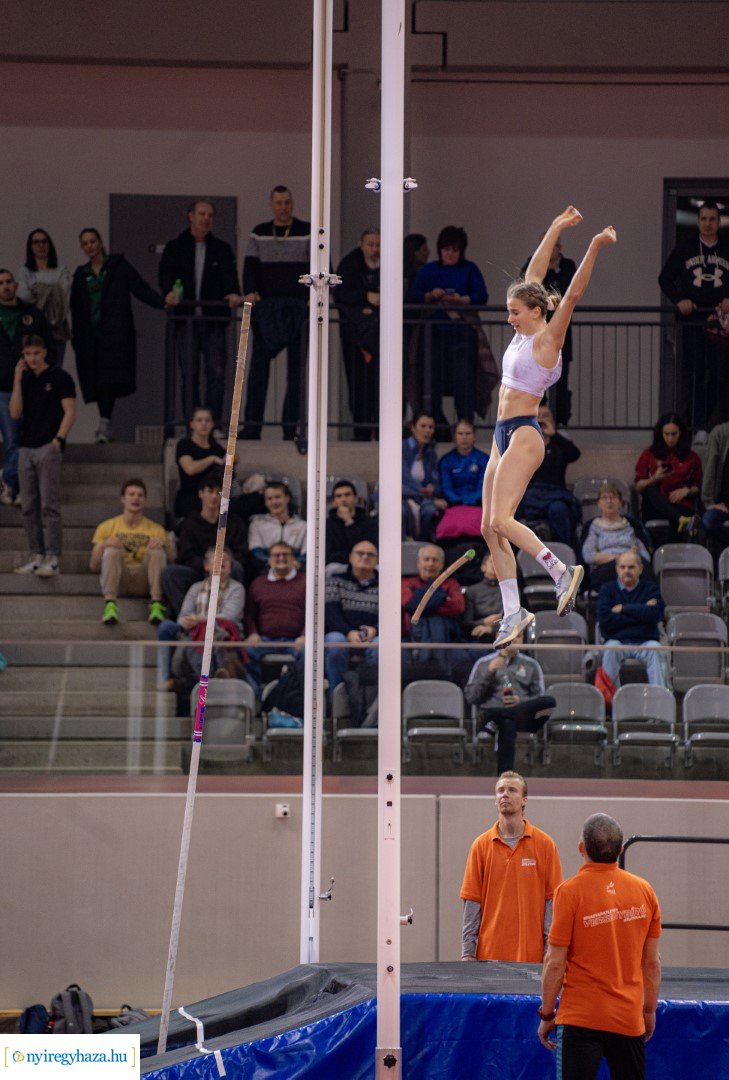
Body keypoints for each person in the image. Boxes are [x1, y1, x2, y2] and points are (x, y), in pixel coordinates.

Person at [481, 206, 616, 650]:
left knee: (503, 518)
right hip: (501, 435)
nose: (509, 319)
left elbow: (572, 295)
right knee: (488, 527)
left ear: (536, 312)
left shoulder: (545, 340)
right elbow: (533, 272)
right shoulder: (523, 334)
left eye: (515, 312)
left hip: (523, 433)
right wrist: (555, 226)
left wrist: (594, 246)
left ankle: (561, 571)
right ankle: (513, 611)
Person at [538, 813, 661, 1080]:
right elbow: (651, 962)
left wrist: (547, 1012)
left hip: (581, 1019)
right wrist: (649, 1010)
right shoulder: (645, 891)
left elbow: (555, 962)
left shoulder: (569, 892)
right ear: (620, 850)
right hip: (628, 1019)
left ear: (581, 848)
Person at [70, 228, 165, 443]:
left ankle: (104, 424)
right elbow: (75, 308)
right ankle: (104, 423)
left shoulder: (118, 266)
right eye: (85, 243)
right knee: (96, 381)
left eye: (93, 241)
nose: (90, 246)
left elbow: (140, 287)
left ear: (101, 242)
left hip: (114, 335)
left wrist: (163, 303)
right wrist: (76, 338)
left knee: (108, 381)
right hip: (89, 338)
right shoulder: (80, 274)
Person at [460, 771, 562, 962]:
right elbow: (472, 903)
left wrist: (549, 952)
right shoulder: (480, 846)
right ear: (495, 800)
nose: (504, 794)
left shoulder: (545, 845)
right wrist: (467, 954)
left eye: (512, 790)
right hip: (488, 958)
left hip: (532, 960)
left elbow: (552, 903)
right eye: (500, 791)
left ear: (524, 800)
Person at [159, 198, 242, 423]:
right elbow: (165, 277)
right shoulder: (175, 247)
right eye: (202, 214)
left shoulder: (221, 249)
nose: (207, 219)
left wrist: (234, 293)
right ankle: (192, 425)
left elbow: (230, 278)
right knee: (189, 374)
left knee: (216, 374)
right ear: (191, 217)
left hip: (213, 320)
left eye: (210, 215)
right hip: (186, 321)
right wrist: (168, 293)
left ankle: (212, 423)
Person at [240, 186, 310, 440]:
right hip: (267, 310)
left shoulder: (307, 231)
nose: (283, 207)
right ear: (271, 204)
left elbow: (322, 265)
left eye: (287, 202)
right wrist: (250, 292)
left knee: (296, 374)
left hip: (299, 309)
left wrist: (316, 298)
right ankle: (252, 427)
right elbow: (249, 268)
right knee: (258, 370)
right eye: (279, 203)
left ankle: (291, 429)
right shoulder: (259, 232)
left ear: (292, 204)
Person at [407, 225, 488, 433]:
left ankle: (465, 426)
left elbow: (481, 295)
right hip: (432, 335)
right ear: (439, 249)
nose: (450, 254)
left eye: (454, 250)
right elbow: (413, 296)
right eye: (446, 249)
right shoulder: (428, 270)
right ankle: (434, 428)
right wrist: (430, 296)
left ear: (461, 251)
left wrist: (462, 299)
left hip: (461, 334)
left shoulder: (469, 269)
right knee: (430, 381)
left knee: (464, 380)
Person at [659, 201, 729, 440]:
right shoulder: (685, 248)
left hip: (721, 324)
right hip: (693, 322)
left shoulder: (727, 247)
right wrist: (679, 300)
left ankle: (716, 425)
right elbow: (665, 278)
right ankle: (697, 425)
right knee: (696, 373)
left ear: (718, 222)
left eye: (712, 219)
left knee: (720, 375)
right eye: (704, 219)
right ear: (698, 222)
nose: (708, 224)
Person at [10, 335, 76, 577]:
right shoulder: (26, 380)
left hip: (48, 445)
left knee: (49, 504)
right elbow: (15, 412)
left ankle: (53, 555)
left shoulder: (60, 378)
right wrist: (17, 379)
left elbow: (70, 410)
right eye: (28, 354)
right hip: (26, 446)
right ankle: (36, 554)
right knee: (28, 505)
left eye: (36, 353)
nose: (32, 358)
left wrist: (59, 439)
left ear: (45, 352)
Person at [0, 268, 56, 505]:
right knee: (13, 440)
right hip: (3, 387)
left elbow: (49, 346)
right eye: (0, 282)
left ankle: (9, 481)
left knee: (28, 439)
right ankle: (16, 486)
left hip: (31, 386)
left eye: (9, 281)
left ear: (15, 285)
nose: (5, 286)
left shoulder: (32, 314)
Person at [464, 634, 556, 773]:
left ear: (523, 640)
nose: (513, 640)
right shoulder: (483, 663)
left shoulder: (531, 665)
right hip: (489, 717)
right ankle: (505, 775)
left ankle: (500, 716)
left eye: (517, 636)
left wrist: (521, 701)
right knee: (507, 722)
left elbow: (539, 698)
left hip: (520, 718)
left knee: (550, 701)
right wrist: (489, 673)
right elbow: (471, 697)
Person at [161, 471, 247, 619]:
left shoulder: (235, 522)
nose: (214, 496)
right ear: (201, 494)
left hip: (226, 572)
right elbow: (185, 555)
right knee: (170, 573)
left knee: (237, 567)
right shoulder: (190, 522)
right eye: (210, 491)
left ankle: (230, 618)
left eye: (219, 492)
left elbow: (242, 553)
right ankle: (187, 619)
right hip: (199, 570)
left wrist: (223, 563)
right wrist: (208, 564)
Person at [157, 547, 246, 689]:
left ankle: (211, 676)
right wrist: (187, 621)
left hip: (222, 631)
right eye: (216, 565)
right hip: (194, 631)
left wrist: (199, 619)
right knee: (166, 627)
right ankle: (167, 677)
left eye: (223, 566)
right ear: (207, 567)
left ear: (230, 568)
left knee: (213, 631)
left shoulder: (237, 588)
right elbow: (183, 616)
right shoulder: (196, 588)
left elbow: (229, 616)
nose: (220, 569)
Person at [90, 477, 171, 625]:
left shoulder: (156, 529)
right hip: (119, 579)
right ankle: (110, 605)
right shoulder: (106, 526)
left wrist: (165, 546)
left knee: (157, 552)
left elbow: (172, 560)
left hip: (145, 580)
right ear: (123, 498)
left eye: (140, 495)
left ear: (145, 500)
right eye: (131, 494)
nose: (136, 498)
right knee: (112, 550)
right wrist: (104, 545)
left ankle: (157, 605)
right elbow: (94, 566)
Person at [521, 233, 577, 425]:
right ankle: (535, 420)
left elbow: (568, 293)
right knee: (535, 377)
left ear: (559, 247)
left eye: (553, 245)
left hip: (560, 330)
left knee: (560, 379)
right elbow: (526, 293)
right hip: (537, 332)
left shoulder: (568, 265)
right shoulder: (532, 264)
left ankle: (559, 423)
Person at [596, 550, 667, 693]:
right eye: (622, 567)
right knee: (610, 649)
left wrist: (624, 608)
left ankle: (660, 705)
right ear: (617, 569)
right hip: (617, 641)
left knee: (656, 649)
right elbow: (605, 620)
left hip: (646, 641)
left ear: (640, 569)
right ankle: (611, 707)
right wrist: (642, 611)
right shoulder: (607, 590)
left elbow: (656, 615)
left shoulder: (650, 588)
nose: (626, 571)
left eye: (631, 567)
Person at [243, 542, 306, 694]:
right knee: (246, 650)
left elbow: (314, 612)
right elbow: (249, 614)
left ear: (293, 559)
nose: (281, 558)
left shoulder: (306, 581)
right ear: (269, 559)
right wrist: (252, 633)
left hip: (296, 640)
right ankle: (256, 697)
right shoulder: (258, 583)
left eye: (286, 554)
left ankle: (299, 698)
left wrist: (305, 635)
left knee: (310, 653)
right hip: (266, 640)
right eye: (276, 555)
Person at [335, 228, 380, 440]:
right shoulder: (350, 263)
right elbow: (340, 294)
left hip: (382, 337)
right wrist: (366, 296)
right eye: (370, 245)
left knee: (382, 386)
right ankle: (361, 432)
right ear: (361, 245)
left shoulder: (391, 262)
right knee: (358, 386)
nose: (375, 249)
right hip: (355, 337)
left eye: (378, 245)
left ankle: (382, 432)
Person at [517, 404, 581, 547]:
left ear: (552, 420)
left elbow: (575, 455)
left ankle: (566, 553)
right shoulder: (525, 443)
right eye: (538, 416)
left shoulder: (559, 444)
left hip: (555, 494)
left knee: (559, 509)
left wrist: (554, 435)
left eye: (546, 416)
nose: (541, 420)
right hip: (532, 495)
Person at [401, 543, 466, 681]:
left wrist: (422, 604)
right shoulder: (406, 583)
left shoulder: (451, 583)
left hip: (447, 639)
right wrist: (441, 597)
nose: (430, 564)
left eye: (435, 560)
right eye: (426, 559)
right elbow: (408, 603)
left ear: (442, 565)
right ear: (418, 563)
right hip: (412, 637)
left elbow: (458, 607)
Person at [635, 412, 702, 539]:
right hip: (656, 505)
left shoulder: (692, 457)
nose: (670, 438)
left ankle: (679, 524)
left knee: (676, 518)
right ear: (661, 433)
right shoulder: (649, 453)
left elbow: (698, 487)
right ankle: (682, 520)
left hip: (680, 503)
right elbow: (638, 487)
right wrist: (654, 478)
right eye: (666, 434)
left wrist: (686, 491)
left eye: (674, 434)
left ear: (681, 433)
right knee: (650, 490)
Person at [324, 540, 379, 693]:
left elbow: (395, 617)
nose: (365, 557)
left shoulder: (386, 583)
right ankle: (337, 696)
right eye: (360, 553)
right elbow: (330, 613)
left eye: (370, 554)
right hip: (342, 633)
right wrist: (349, 632)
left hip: (373, 636)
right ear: (350, 557)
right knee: (336, 642)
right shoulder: (335, 580)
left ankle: (372, 699)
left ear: (377, 560)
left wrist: (375, 630)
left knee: (382, 646)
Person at [581, 481, 652, 590]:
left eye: (613, 497)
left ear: (620, 502)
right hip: (605, 568)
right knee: (623, 568)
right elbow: (589, 555)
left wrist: (631, 560)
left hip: (632, 566)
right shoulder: (593, 526)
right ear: (599, 503)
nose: (609, 501)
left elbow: (645, 556)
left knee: (644, 569)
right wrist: (621, 558)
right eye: (604, 498)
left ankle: (651, 603)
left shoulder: (631, 525)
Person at [16, 229, 71, 367]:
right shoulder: (25, 271)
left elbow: (62, 293)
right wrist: (51, 290)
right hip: (34, 328)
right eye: (36, 242)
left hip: (56, 328)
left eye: (44, 241)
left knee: (55, 370)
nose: (41, 245)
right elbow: (24, 295)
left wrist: (37, 288)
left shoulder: (61, 269)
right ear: (31, 246)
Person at [436, 419, 489, 542]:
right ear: (455, 436)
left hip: (478, 504)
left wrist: (470, 501)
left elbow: (484, 486)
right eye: (460, 434)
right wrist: (459, 501)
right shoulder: (446, 460)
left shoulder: (484, 459)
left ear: (474, 436)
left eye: (468, 434)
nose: (464, 437)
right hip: (454, 504)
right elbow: (446, 487)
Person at [173, 406, 226, 521]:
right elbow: (190, 469)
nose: (204, 424)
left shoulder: (216, 448)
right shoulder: (184, 444)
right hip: (190, 497)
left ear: (212, 424)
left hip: (213, 496)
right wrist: (211, 459)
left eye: (207, 420)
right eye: (199, 420)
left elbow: (232, 459)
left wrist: (232, 459)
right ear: (192, 424)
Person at [402, 412, 447, 541]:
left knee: (430, 511)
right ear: (413, 427)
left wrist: (433, 489)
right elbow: (403, 480)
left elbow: (436, 481)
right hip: (401, 496)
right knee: (402, 512)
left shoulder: (431, 452)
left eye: (431, 427)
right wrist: (422, 491)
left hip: (422, 498)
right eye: (423, 426)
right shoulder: (401, 448)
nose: (427, 430)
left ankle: (425, 545)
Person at [247, 481, 306, 575]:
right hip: (266, 570)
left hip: (296, 570)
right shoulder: (257, 524)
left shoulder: (303, 526)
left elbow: (305, 554)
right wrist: (274, 564)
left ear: (287, 498)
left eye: (278, 497)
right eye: (269, 498)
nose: (274, 502)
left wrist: (293, 564)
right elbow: (256, 552)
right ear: (265, 502)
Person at [325, 478, 378, 573]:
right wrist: (353, 557)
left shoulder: (369, 522)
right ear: (334, 501)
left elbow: (370, 548)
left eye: (347, 495)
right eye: (339, 496)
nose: (343, 499)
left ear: (356, 498)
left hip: (366, 563)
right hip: (341, 565)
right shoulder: (328, 525)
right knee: (331, 569)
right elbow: (329, 554)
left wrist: (349, 522)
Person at [700, 419, 729, 546]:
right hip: (723, 506)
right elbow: (710, 469)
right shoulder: (721, 433)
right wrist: (709, 502)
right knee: (708, 521)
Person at [463, 553, 502, 645]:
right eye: (492, 562)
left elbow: (516, 620)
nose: (495, 565)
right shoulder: (471, 591)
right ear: (483, 567)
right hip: (477, 637)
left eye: (499, 562)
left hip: (503, 635)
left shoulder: (510, 590)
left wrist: (491, 630)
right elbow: (465, 624)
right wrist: (484, 622)